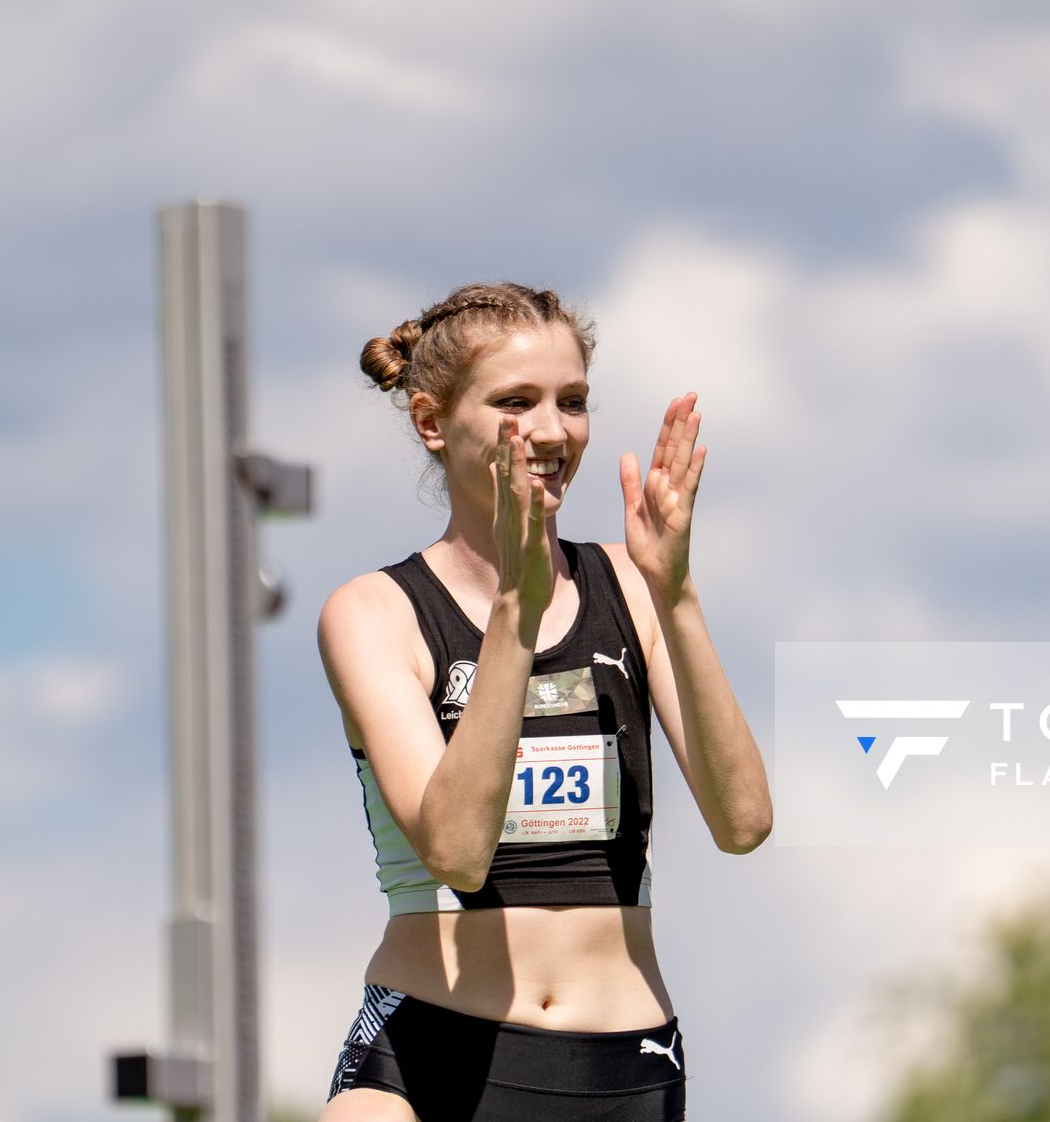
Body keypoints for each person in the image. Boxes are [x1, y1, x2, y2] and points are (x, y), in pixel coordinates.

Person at [315, 282, 773, 1121]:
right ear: (430, 421)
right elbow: (455, 851)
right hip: (427, 1056)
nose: (554, 431)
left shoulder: (632, 588)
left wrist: (676, 595)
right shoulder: (373, 613)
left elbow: (742, 823)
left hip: (622, 1069)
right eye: (516, 402)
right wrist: (515, 619)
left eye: (574, 401)